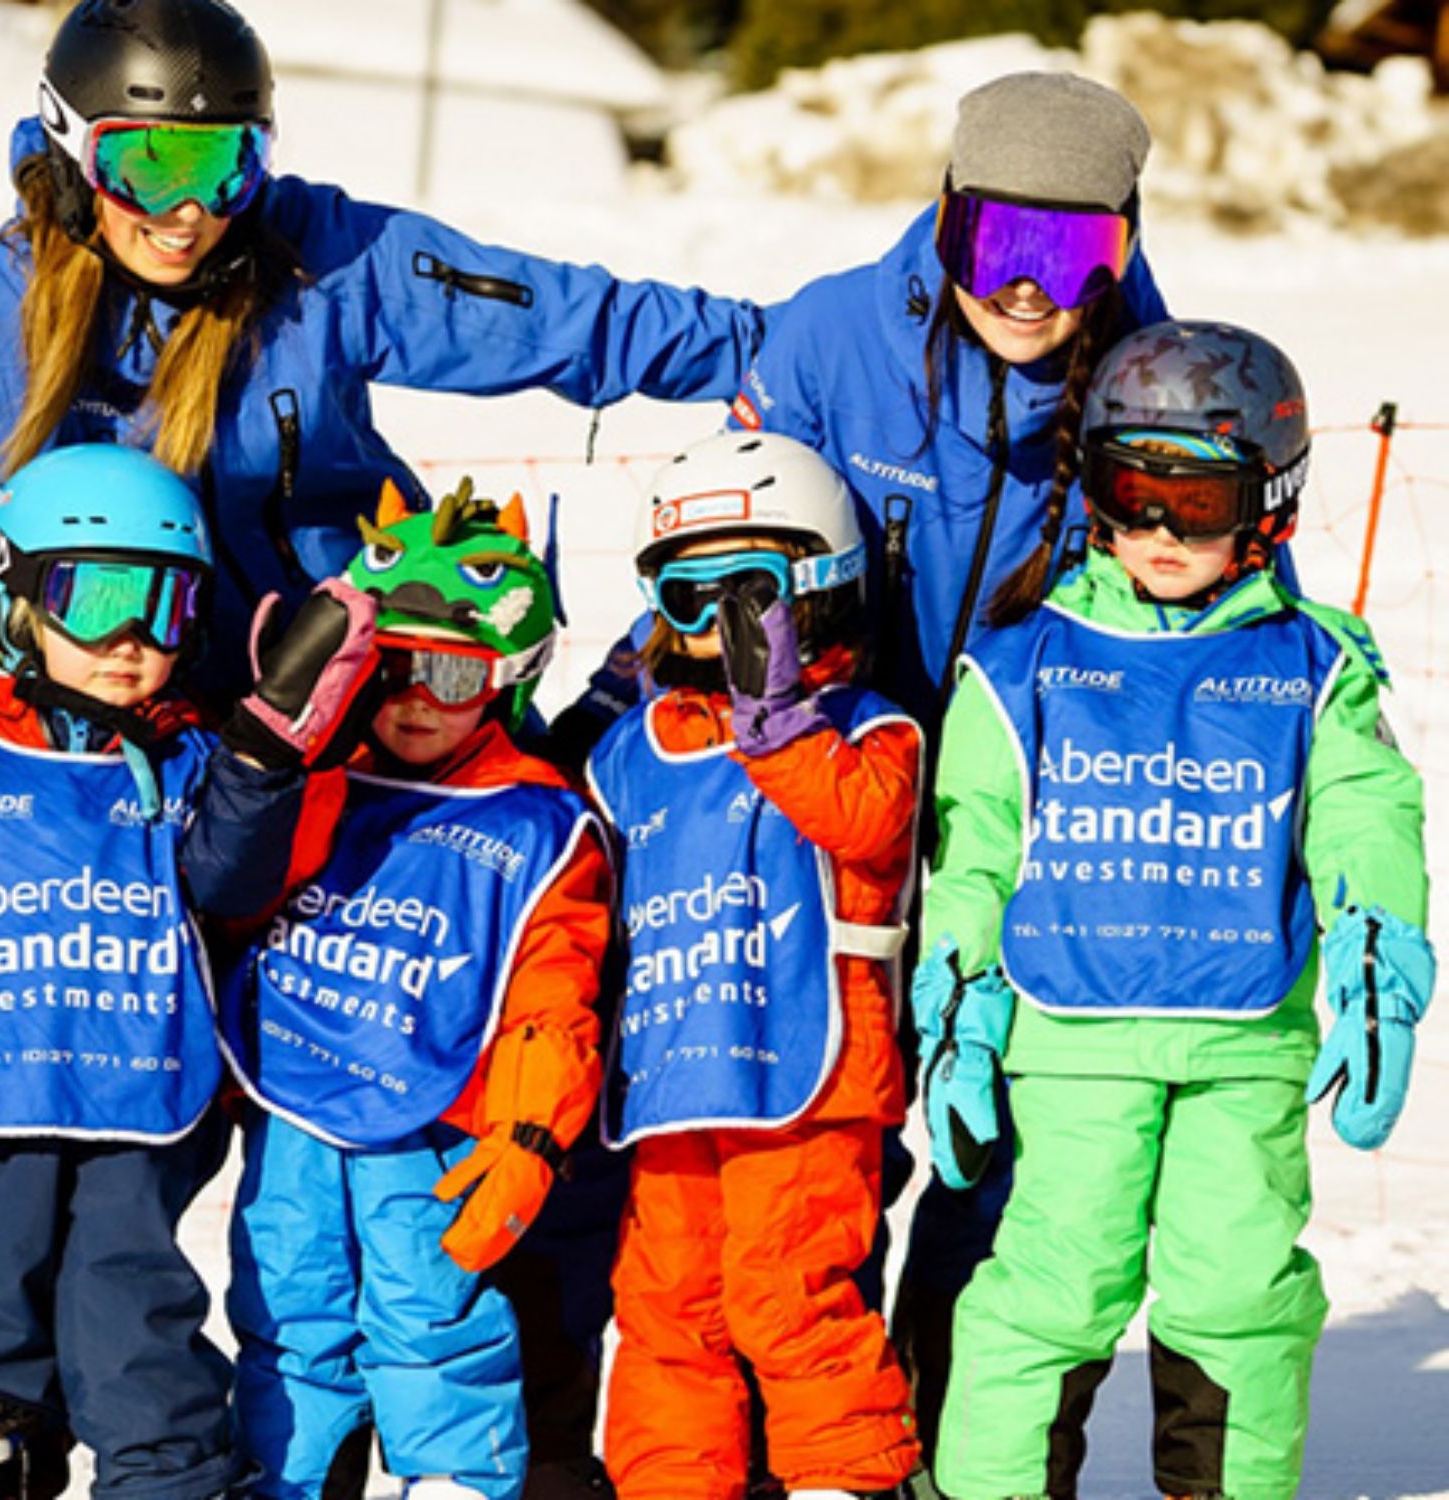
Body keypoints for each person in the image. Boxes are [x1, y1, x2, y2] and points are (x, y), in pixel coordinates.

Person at [0, 0, 770, 713]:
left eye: (225, 164)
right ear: (69, 148)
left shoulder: (318, 256)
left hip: (378, 700)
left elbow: (577, 320)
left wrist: (776, 359)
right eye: (146, 164)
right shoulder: (0, 322)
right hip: (143, 725)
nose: (189, 211)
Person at [699, 69, 1174, 1452]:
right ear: (949, 216)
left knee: (999, 1166)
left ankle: (971, 1456)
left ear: (1126, 245)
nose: (1030, 293)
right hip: (825, 818)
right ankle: (787, 1450)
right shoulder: (834, 336)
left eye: (1074, 253)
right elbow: (735, 544)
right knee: (810, 1155)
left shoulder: (1152, 379)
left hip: (1022, 842)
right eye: (1001, 248)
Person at [915, 320, 1432, 1500]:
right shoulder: (1023, 663)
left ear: (1265, 502)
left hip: (1240, 1040)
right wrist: (956, 995)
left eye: (1191, 502)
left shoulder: (1313, 665)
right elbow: (977, 848)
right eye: (1128, 492)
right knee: (1051, 1282)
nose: (1155, 531)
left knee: (1237, 1291)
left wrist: (1373, 954)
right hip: (1073, 1040)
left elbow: (1361, 817)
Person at [0, 443, 383, 1500]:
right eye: (92, 597)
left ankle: (167, 1478)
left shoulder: (192, 761)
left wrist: (261, 755)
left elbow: (229, 884)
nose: (129, 638)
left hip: (136, 1099)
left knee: (127, 1316)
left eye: (163, 605)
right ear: (15, 598)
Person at [214, 480, 610, 1500]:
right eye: (392, 667)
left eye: (451, 670)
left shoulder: (535, 821)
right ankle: (289, 1480)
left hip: (436, 1126)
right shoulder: (324, 781)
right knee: (286, 1311)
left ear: (508, 675)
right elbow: (230, 897)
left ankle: (452, 1482)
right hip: (294, 1109)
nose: (418, 700)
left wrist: (527, 1136)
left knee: (432, 1321)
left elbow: (549, 995)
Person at [586, 431, 925, 1500]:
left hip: (806, 1079)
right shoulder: (628, 747)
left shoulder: (867, 735)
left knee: (789, 1291)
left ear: (820, 587)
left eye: (746, 595)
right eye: (686, 601)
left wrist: (775, 724)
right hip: (675, 1079)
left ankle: (837, 1479)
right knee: (665, 1304)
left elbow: (864, 828)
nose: (715, 630)